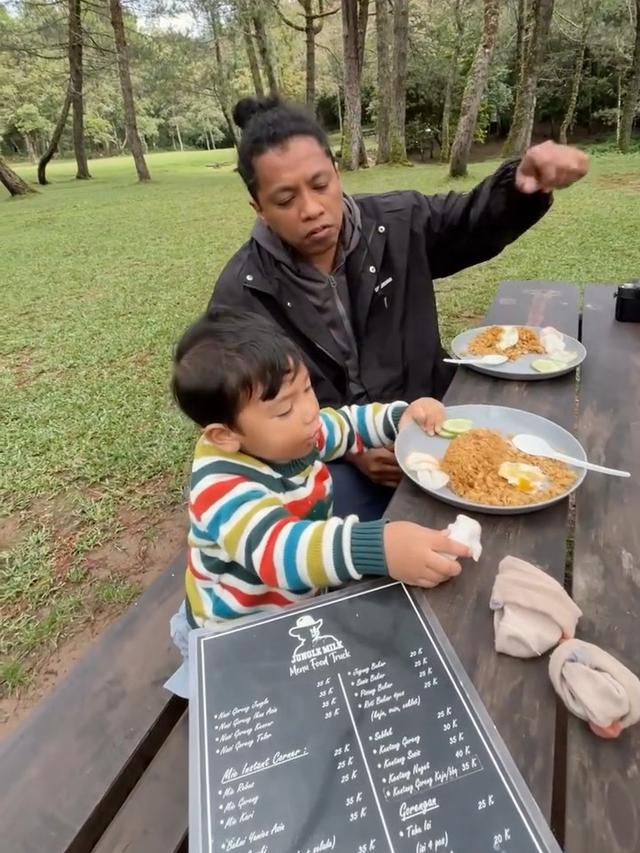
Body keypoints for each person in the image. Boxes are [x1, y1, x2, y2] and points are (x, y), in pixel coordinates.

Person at [207, 96, 589, 520]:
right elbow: (247, 412)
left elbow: (471, 222)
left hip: (430, 419)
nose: (311, 209)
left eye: (320, 185)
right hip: (330, 457)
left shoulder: (398, 222)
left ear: (337, 173)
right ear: (259, 209)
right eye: (284, 200)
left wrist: (520, 186)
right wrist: (352, 451)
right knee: (336, 533)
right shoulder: (243, 293)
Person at [168, 308, 470, 661]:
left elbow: (345, 424)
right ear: (225, 435)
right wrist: (379, 546)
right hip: (237, 635)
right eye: (284, 409)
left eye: (307, 388)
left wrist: (399, 416)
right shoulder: (221, 485)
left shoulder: (294, 435)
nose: (309, 411)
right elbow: (279, 551)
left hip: (295, 605)